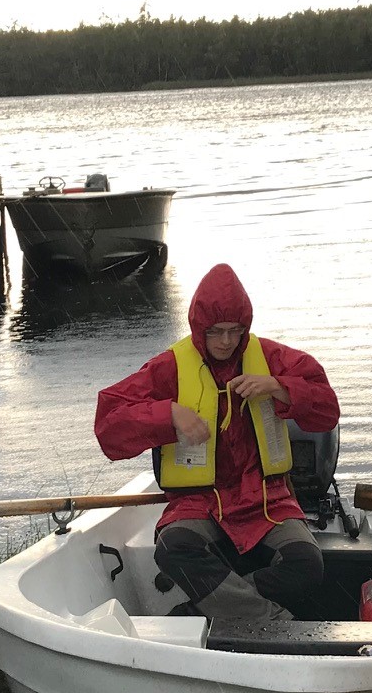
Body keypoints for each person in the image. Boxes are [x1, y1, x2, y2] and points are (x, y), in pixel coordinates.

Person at [94, 263, 339, 620]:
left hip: (267, 499)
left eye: (235, 331)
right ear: (199, 329)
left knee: (307, 564)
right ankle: (267, 621)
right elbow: (108, 427)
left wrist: (280, 387)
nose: (226, 341)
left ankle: (197, 613)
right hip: (198, 501)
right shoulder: (168, 368)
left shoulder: (274, 359)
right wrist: (169, 415)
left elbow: (328, 410)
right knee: (173, 548)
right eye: (216, 332)